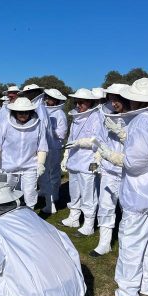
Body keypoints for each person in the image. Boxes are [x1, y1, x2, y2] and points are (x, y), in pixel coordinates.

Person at [93, 78, 148, 296]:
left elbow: (135, 163)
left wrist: (110, 154)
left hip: (141, 193)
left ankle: (128, 292)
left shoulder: (141, 122)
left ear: (135, 101)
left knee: (132, 242)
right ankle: (147, 286)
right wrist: (123, 135)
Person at [90, 84, 130, 257]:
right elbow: (100, 141)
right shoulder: (107, 117)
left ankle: (128, 244)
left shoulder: (135, 118)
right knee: (106, 207)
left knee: (129, 209)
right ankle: (104, 243)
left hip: (129, 172)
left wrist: (121, 133)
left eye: (117, 99)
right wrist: (97, 159)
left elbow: (141, 145)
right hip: (108, 170)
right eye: (111, 99)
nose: (113, 103)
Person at [0, 97, 48, 209]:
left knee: (30, 193)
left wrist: (41, 163)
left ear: (30, 112)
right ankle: (6, 214)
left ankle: (30, 216)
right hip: (8, 164)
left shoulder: (38, 124)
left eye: (26, 112)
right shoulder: (5, 123)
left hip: (30, 165)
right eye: (20, 112)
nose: (23, 114)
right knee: (6, 192)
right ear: (14, 111)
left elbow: (42, 145)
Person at [61, 88, 103, 234]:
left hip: (88, 162)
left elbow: (98, 141)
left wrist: (80, 142)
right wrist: (66, 157)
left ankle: (89, 224)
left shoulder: (97, 118)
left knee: (88, 194)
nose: (78, 105)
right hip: (74, 162)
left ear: (90, 102)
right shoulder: (75, 118)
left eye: (81, 102)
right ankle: (74, 217)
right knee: (74, 192)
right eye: (77, 102)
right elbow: (70, 139)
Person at [38, 88, 68, 214]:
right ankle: (45, 192)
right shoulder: (45, 111)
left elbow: (62, 133)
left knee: (54, 172)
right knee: (44, 171)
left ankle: (54, 196)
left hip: (55, 147)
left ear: (55, 100)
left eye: (50, 98)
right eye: (47, 97)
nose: (47, 100)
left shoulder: (60, 114)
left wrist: (49, 130)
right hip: (45, 146)